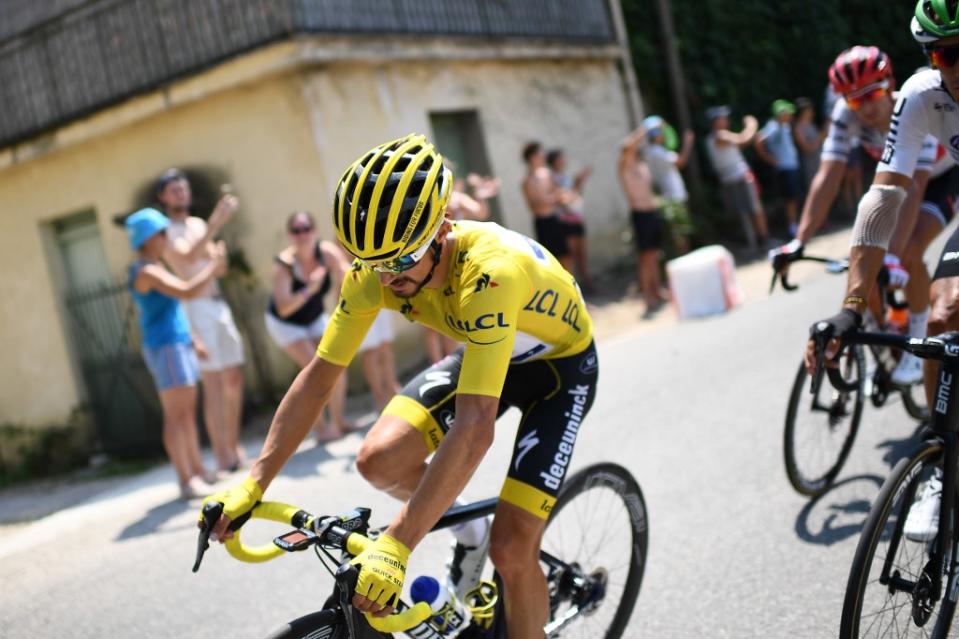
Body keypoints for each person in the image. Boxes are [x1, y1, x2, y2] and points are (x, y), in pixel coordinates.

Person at [203, 134, 598, 638]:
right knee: (378, 458)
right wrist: (254, 483)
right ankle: (467, 527)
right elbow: (318, 378)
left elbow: (476, 426)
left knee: (512, 549)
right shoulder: (374, 272)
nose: (385, 278)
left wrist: (398, 543)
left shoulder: (490, 273)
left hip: (559, 370)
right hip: (490, 345)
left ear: (441, 232)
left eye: (398, 262)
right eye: (371, 262)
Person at [806, 4, 959, 541]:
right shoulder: (921, 97)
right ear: (930, 58)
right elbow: (883, 195)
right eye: (948, 54)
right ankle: (940, 470)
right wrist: (851, 307)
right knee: (944, 316)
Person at [772, 45, 951, 385]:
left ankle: (918, 347)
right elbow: (828, 176)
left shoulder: (916, 106)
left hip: (939, 180)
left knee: (909, 252)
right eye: (855, 99)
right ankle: (877, 349)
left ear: (890, 84)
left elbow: (915, 189)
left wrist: (895, 256)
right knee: (863, 263)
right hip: (895, 179)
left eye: (873, 94)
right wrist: (799, 240)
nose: (866, 107)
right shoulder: (845, 115)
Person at [125, 208, 226, 499]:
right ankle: (185, 480)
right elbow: (186, 291)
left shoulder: (154, 265)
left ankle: (197, 470)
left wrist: (192, 339)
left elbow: (171, 308)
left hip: (177, 343)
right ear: (147, 238)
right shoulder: (146, 271)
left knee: (186, 415)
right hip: (165, 346)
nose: (166, 237)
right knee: (176, 416)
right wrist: (213, 266)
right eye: (161, 233)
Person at [156, 169, 246, 474]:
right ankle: (222, 454)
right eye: (174, 189)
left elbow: (214, 267)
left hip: (218, 304)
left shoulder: (196, 224)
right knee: (215, 383)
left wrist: (217, 255)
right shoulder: (166, 230)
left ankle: (232, 445)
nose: (181, 193)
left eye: (183, 188)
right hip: (195, 307)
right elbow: (186, 261)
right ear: (163, 197)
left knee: (233, 377)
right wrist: (216, 223)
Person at [264, 211, 357, 442]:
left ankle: (338, 421)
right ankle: (321, 428)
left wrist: (340, 306)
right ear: (290, 235)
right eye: (296, 230)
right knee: (313, 369)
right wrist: (310, 289)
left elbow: (348, 276)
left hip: (314, 317)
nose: (302, 234)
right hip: (286, 323)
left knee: (336, 363)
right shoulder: (284, 265)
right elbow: (284, 308)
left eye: (306, 228)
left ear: (314, 231)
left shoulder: (326, 253)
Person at [704, 105, 769, 250]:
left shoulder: (716, 138)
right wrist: (752, 124)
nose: (726, 120)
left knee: (750, 210)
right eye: (723, 118)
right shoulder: (720, 135)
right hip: (738, 178)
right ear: (716, 121)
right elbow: (743, 139)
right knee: (753, 209)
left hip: (733, 179)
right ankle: (759, 241)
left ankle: (759, 241)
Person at [620, 123, 669, 312]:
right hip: (640, 214)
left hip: (651, 212)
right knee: (645, 257)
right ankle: (647, 295)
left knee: (654, 254)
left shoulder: (642, 164)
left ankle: (657, 290)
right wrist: (645, 128)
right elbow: (628, 146)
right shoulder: (625, 166)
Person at [644, 115, 695, 255]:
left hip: (670, 194)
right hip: (673, 194)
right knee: (680, 230)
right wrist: (688, 142)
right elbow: (681, 161)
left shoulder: (653, 152)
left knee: (679, 229)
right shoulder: (657, 152)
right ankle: (685, 256)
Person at [521, 140, 574, 271]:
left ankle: (572, 288)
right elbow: (534, 206)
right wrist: (553, 198)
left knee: (566, 256)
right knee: (550, 260)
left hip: (554, 219)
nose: (543, 157)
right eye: (539, 154)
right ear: (532, 157)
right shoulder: (527, 180)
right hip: (542, 223)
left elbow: (558, 193)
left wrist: (563, 197)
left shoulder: (546, 174)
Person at [547, 148, 594, 290]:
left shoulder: (564, 177)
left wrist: (579, 182)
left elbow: (573, 195)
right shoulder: (552, 179)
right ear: (554, 161)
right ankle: (574, 289)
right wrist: (575, 186)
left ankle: (586, 284)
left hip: (576, 219)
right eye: (560, 158)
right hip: (565, 222)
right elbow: (565, 200)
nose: (563, 161)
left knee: (581, 254)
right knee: (571, 257)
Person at [756, 99, 803, 237]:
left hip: (791, 166)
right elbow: (759, 140)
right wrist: (769, 159)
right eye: (788, 113)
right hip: (784, 168)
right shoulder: (774, 126)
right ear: (781, 113)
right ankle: (792, 227)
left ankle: (794, 225)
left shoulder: (784, 126)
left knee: (793, 197)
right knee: (790, 199)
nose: (791, 115)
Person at [793, 97, 827, 195]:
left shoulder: (811, 125)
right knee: (814, 191)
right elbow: (807, 149)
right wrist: (821, 137)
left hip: (819, 162)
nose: (812, 112)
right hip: (809, 165)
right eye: (809, 110)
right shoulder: (798, 127)